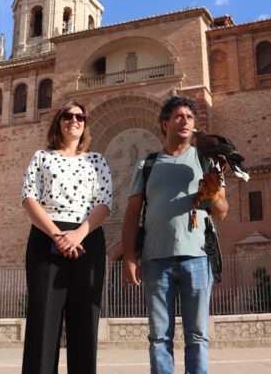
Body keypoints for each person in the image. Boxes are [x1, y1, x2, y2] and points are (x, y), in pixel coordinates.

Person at [122, 96, 228, 374]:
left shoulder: (207, 161)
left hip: (197, 258)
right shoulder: (147, 164)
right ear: (165, 123)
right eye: (179, 116)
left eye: (190, 117)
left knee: (197, 336)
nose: (185, 121)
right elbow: (132, 213)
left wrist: (212, 192)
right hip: (156, 259)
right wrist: (129, 257)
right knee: (159, 337)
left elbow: (222, 212)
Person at [21, 101, 112, 374]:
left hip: (88, 236)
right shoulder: (41, 157)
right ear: (58, 122)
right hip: (47, 235)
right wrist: (58, 235)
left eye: (80, 117)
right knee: (43, 322)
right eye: (68, 116)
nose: (74, 120)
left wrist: (78, 234)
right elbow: (28, 198)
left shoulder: (97, 160)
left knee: (85, 322)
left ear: (85, 124)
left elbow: (104, 203)